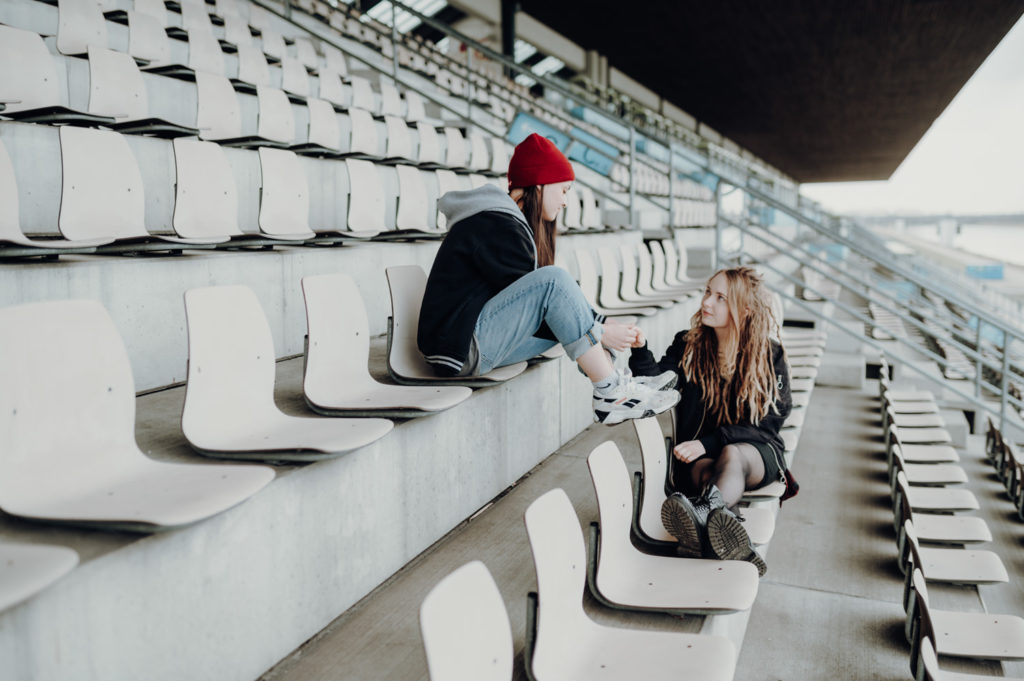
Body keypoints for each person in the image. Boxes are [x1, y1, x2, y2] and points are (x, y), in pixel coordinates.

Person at [417, 132, 678, 425]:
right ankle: (610, 392)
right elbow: (541, 297)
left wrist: (602, 325)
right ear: (540, 185)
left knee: (570, 321)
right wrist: (600, 330)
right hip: (462, 347)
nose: (565, 201)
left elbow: (536, 305)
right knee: (554, 281)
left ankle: (619, 384)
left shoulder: (504, 222)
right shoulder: (492, 222)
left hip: (476, 339)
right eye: (564, 190)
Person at [628, 266, 792, 575]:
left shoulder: (770, 355)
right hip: (699, 459)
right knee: (709, 479)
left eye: (720, 298)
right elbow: (657, 384)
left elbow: (772, 420)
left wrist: (709, 443)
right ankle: (731, 542)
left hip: (755, 453)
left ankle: (701, 518)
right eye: (707, 293)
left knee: (731, 454)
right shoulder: (687, 345)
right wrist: (640, 351)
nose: (707, 303)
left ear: (744, 310)